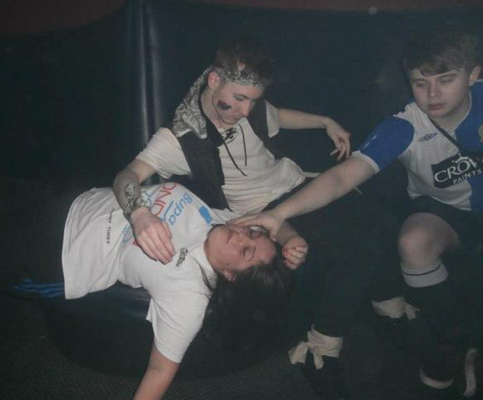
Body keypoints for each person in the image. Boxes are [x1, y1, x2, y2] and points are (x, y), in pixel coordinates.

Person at [113, 37, 404, 399]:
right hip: (265, 211)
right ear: (214, 80)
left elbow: (276, 115)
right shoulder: (180, 138)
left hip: (301, 183)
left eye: (252, 100)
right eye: (239, 99)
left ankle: (389, 308)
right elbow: (126, 177)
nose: (246, 110)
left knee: (383, 223)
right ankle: (320, 350)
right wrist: (139, 214)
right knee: (360, 252)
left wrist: (324, 121)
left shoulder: (249, 107)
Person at [235, 28, 483, 398]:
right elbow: (341, 177)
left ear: (472, 76)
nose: (433, 93)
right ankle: (451, 342)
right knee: (412, 241)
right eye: (420, 83)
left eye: (446, 80)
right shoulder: (405, 126)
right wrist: (279, 214)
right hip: (444, 213)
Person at [0, 171, 304, 400]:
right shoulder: (219, 219)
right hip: (59, 200)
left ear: (231, 277)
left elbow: (160, 373)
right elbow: (273, 219)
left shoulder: (188, 296)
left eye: (246, 251)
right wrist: (290, 238)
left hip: (44, 257)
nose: (241, 236)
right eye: (252, 234)